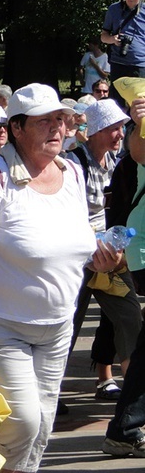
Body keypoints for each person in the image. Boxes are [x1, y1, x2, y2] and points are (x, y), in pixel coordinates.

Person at [0, 83, 121, 473]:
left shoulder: (72, 173)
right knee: (23, 423)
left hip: (57, 326)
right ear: (16, 128)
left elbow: (71, 245)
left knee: (41, 429)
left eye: (60, 120)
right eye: (44, 121)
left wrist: (100, 258)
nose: (57, 128)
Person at [65, 99, 140, 401]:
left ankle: (135, 394)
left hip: (109, 259)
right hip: (77, 260)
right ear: (94, 131)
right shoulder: (72, 164)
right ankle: (48, 395)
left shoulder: (115, 161)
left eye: (122, 127)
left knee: (130, 319)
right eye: (113, 128)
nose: (119, 134)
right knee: (66, 326)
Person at [103, 95, 145, 457]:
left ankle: (125, 428)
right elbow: (139, 155)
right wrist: (138, 121)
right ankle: (124, 428)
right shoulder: (141, 131)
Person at [102, 0, 145, 106]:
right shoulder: (114, 9)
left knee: (139, 104)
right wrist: (112, 39)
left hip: (140, 63)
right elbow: (103, 36)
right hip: (118, 63)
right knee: (116, 104)